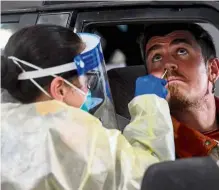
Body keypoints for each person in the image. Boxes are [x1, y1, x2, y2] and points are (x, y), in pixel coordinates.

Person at [1, 25, 175, 190]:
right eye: (86, 81)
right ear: (59, 88)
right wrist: (150, 104)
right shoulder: (72, 136)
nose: (88, 90)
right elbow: (152, 177)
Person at [141, 23, 219, 159]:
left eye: (181, 51)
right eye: (157, 57)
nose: (167, 64)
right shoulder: (149, 146)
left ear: (212, 70)